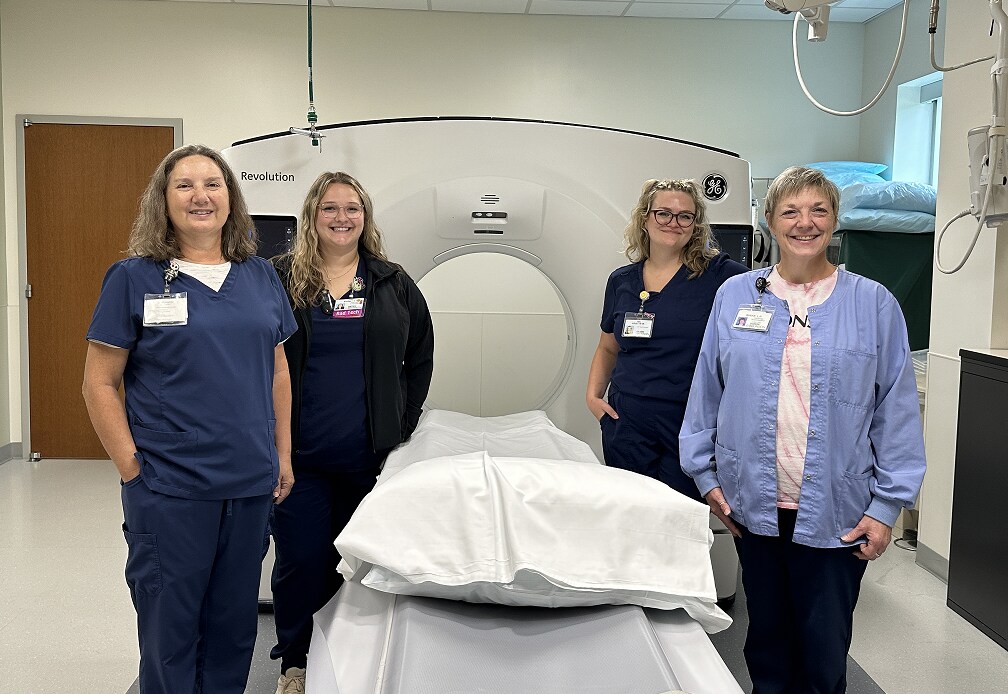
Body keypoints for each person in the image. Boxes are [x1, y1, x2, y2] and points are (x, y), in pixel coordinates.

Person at [680, 166, 927, 693]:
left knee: (822, 649)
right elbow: (707, 390)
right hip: (753, 504)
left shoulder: (873, 303)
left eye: (818, 210)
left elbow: (896, 411)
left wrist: (887, 509)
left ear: (834, 221)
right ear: (769, 221)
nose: (804, 222)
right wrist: (706, 478)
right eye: (790, 210)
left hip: (837, 509)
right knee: (766, 642)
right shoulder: (734, 296)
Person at [82, 144, 297, 694]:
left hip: (248, 482)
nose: (201, 196)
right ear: (164, 200)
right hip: (170, 486)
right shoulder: (134, 278)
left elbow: (277, 372)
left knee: (232, 629)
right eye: (185, 185)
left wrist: (283, 454)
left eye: (213, 184)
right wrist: (132, 470)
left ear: (231, 198)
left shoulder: (259, 277)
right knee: (170, 630)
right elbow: (100, 382)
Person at [270, 171, 434, 694]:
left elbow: (421, 358)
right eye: (330, 209)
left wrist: (399, 426)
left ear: (365, 218)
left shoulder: (391, 282)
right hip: (299, 459)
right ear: (312, 216)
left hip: (369, 458)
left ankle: (354, 663)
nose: (342, 218)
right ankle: (296, 663)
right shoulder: (279, 280)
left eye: (352, 209)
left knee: (360, 566)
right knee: (300, 563)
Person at [586, 178, 748, 500]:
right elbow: (608, 347)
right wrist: (593, 398)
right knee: (631, 517)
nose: (673, 223)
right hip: (626, 423)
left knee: (681, 522)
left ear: (695, 225)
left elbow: (768, 286)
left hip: (687, 423)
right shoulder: (621, 281)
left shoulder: (717, 275)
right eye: (663, 213)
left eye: (684, 216)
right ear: (645, 218)